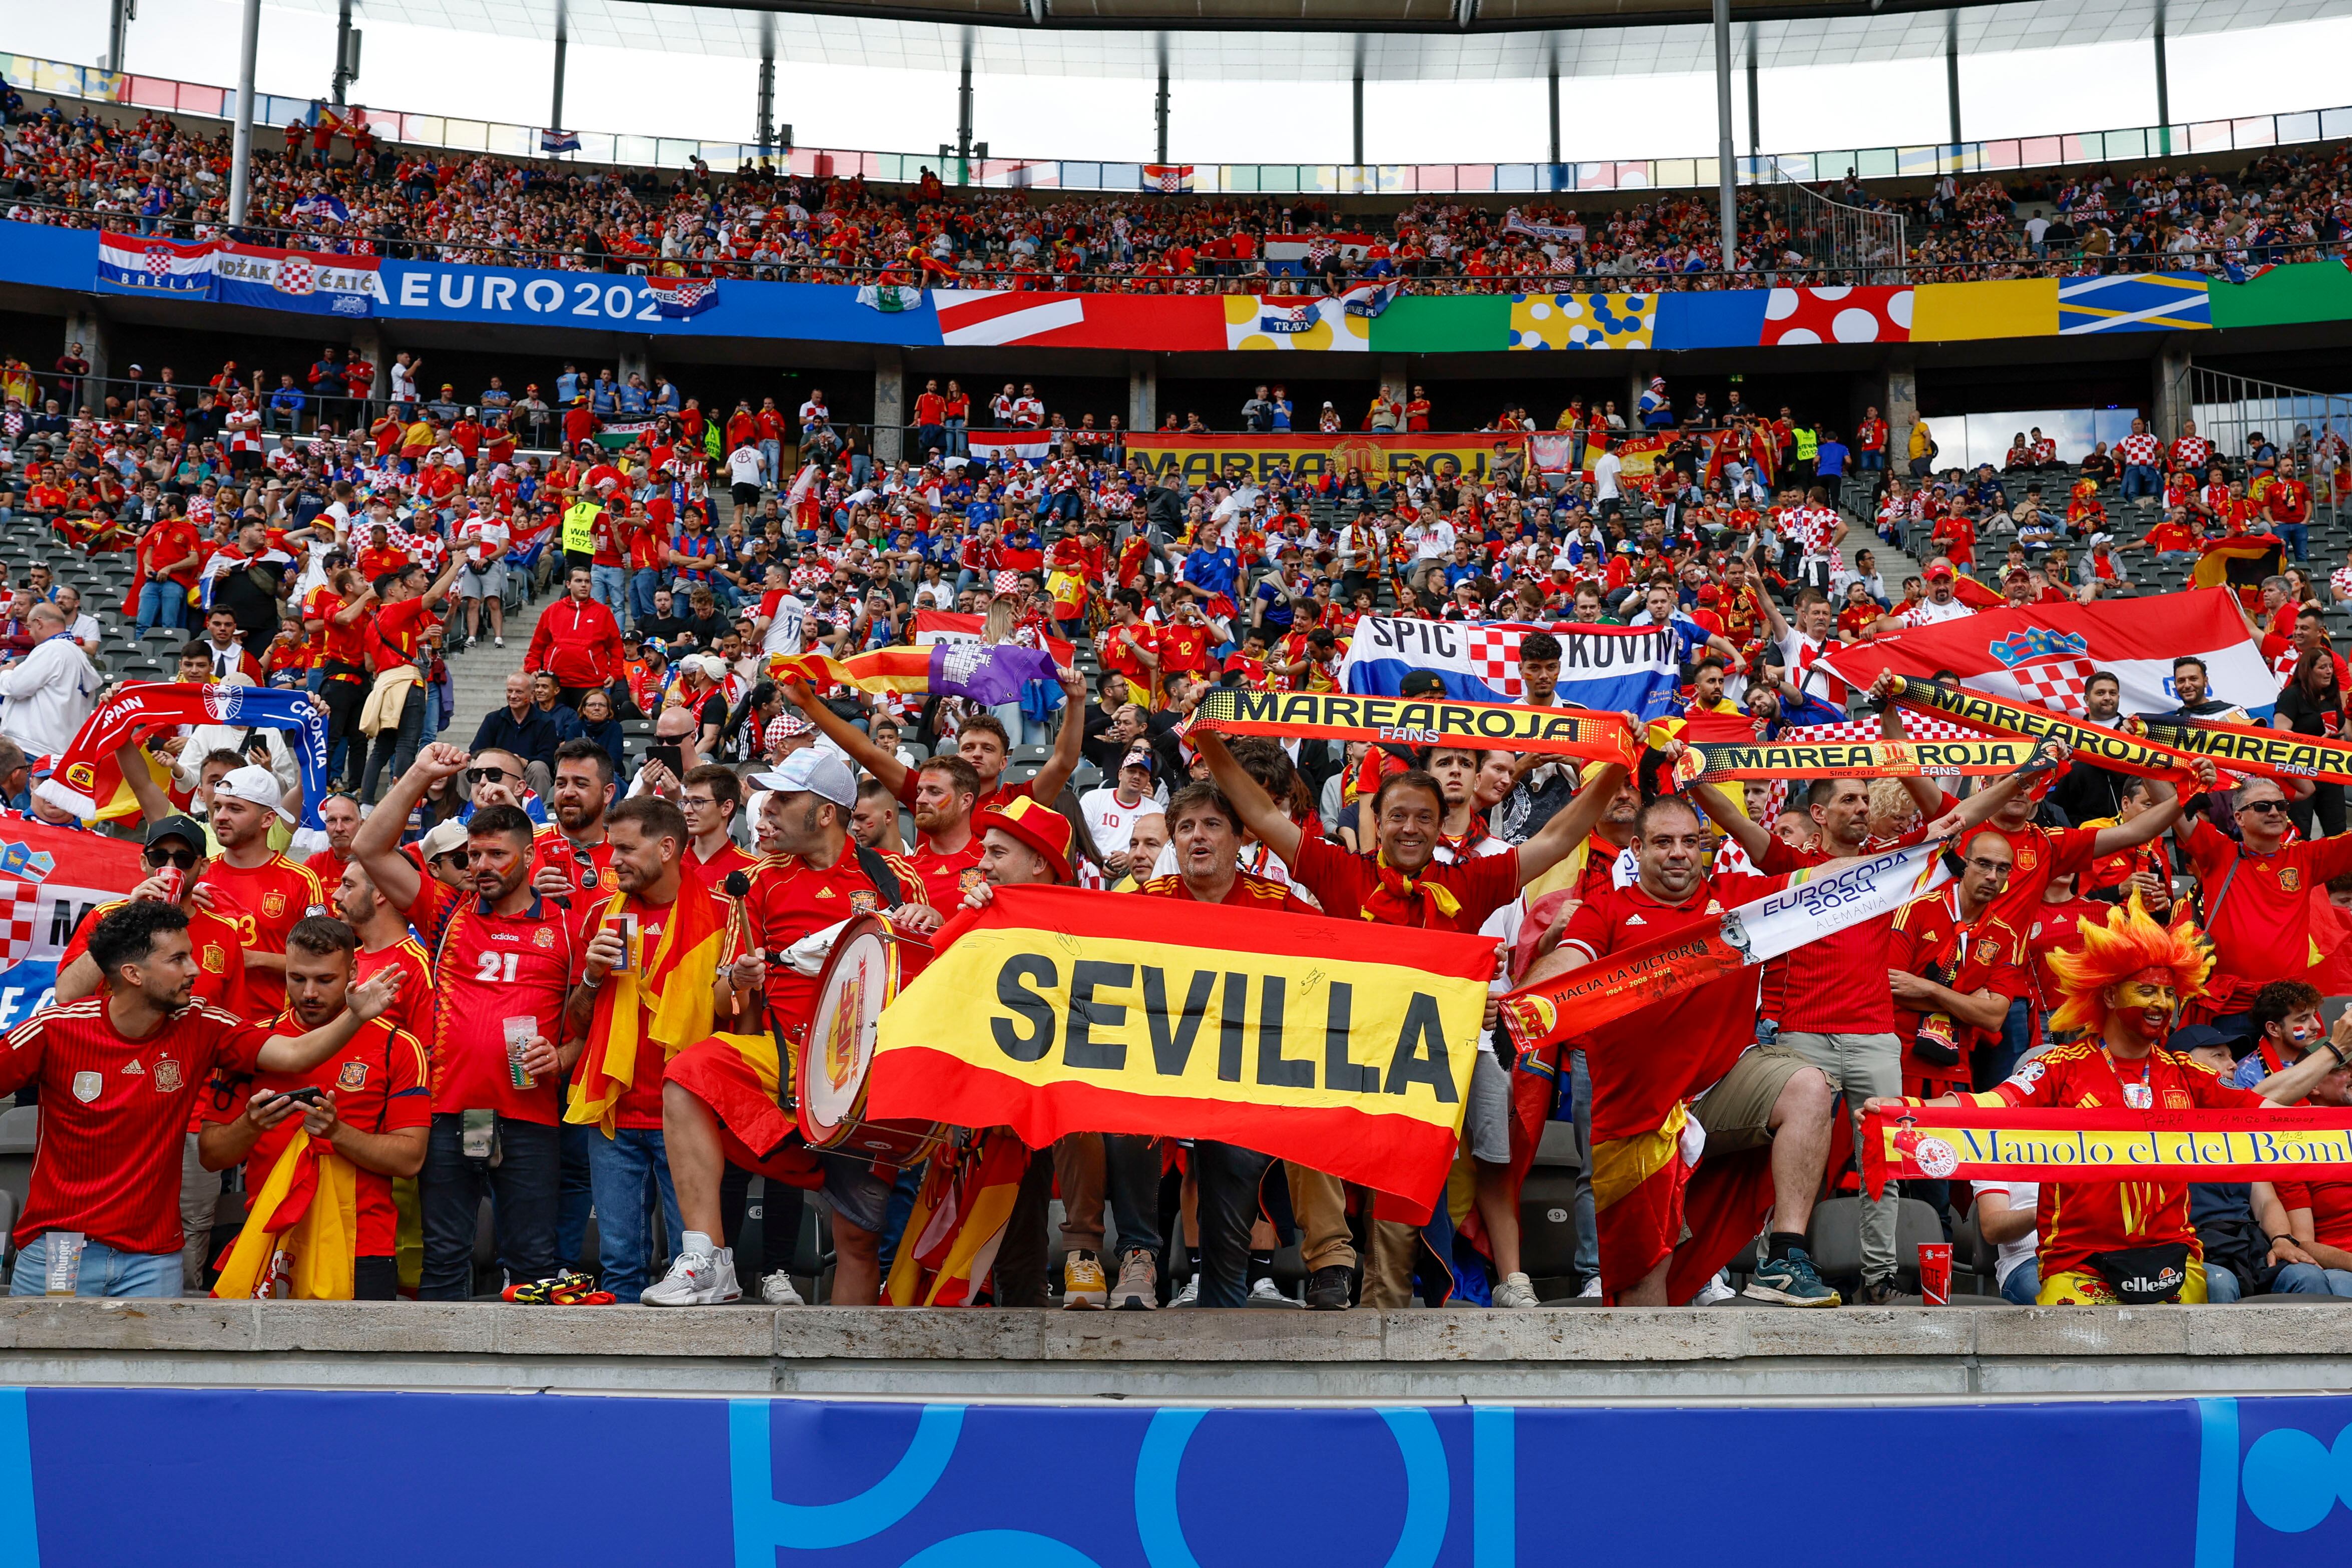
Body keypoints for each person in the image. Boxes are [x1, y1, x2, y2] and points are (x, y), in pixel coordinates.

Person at [1870, 897, 2350, 1304]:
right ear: (2109, 997)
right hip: (2078, 1263)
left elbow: (2265, 1112)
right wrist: (1905, 1115)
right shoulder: (2062, 1066)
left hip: (2174, 1259)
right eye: (2146, 990)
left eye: (2168, 992)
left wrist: (2335, 1058)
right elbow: (1993, 1104)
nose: (2161, 1003)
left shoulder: (2186, 1072)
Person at [648, 749, 936, 1307]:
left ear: (826, 813)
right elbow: (721, 998)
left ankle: (848, 1373)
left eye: (785, 798)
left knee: (857, 1237)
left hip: (869, 1072)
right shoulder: (757, 880)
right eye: (770, 797)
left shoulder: (894, 875)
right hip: (788, 1060)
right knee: (687, 1072)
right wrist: (740, 979)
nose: (769, 809)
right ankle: (707, 1258)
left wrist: (932, 924)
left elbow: (930, 964)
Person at [0, 901, 399, 1297]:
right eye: (178, 959)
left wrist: (355, 1016)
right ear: (132, 973)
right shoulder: (55, 1030)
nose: (196, 969)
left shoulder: (201, 1023)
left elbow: (296, 1055)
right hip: (61, 1250)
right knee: (47, 1362)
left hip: (152, 1261)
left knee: (154, 1364)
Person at [350, 746, 586, 1302]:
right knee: (446, 1254)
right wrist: (421, 774)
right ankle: (439, 1384)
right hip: (454, 1110)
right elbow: (367, 847)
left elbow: (588, 1027)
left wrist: (563, 1059)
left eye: (496, 855)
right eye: (474, 855)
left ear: (529, 857)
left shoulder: (570, 925)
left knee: (532, 1259)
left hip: (529, 1116)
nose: (481, 866)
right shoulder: (446, 912)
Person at [195, 917, 430, 1300]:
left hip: (362, 1246)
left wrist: (338, 1134)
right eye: (296, 978)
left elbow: (410, 1160)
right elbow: (211, 1155)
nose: (309, 993)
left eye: (325, 980)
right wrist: (250, 1125)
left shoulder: (398, 1046)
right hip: (269, 1237)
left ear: (353, 970)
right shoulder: (256, 1043)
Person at [561, 796, 724, 1301]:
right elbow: (576, 1022)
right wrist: (591, 976)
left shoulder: (722, 914)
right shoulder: (602, 917)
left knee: (694, 1266)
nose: (613, 861)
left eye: (627, 849)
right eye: (613, 849)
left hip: (688, 1115)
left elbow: (737, 1022)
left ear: (669, 847)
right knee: (619, 1267)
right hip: (615, 1109)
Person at [2175, 773, 2352, 1036]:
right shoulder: (2218, 852)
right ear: (2239, 818)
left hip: (2290, 1009)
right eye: (2262, 807)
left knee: (2299, 1078)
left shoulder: (2307, 857)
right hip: (2232, 1008)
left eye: (2281, 806)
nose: (2274, 812)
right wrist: (2143, 749)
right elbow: (2172, 810)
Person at [193, 764, 327, 1018]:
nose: (220, 816)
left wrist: (251, 959)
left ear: (267, 819)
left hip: (270, 1031)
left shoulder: (300, 880)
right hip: (202, 1030)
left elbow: (324, 963)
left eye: (235, 808)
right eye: (218, 807)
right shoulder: (199, 876)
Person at [0, 602, 100, 759]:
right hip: (59, 749)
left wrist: (7, 672)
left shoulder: (53, 649)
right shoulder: (78, 654)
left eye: (30, 628)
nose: (30, 634)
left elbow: (15, 687)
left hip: (33, 747)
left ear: (39, 623)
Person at [526, 565, 626, 707]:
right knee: (556, 727)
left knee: (587, 727)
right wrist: (532, 668)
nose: (584, 585)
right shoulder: (552, 611)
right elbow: (537, 645)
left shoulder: (603, 613)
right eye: (579, 581)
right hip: (556, 682)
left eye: (587, 581)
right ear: (568, 584)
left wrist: (616, 673)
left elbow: (616, 647)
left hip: (591, 683)